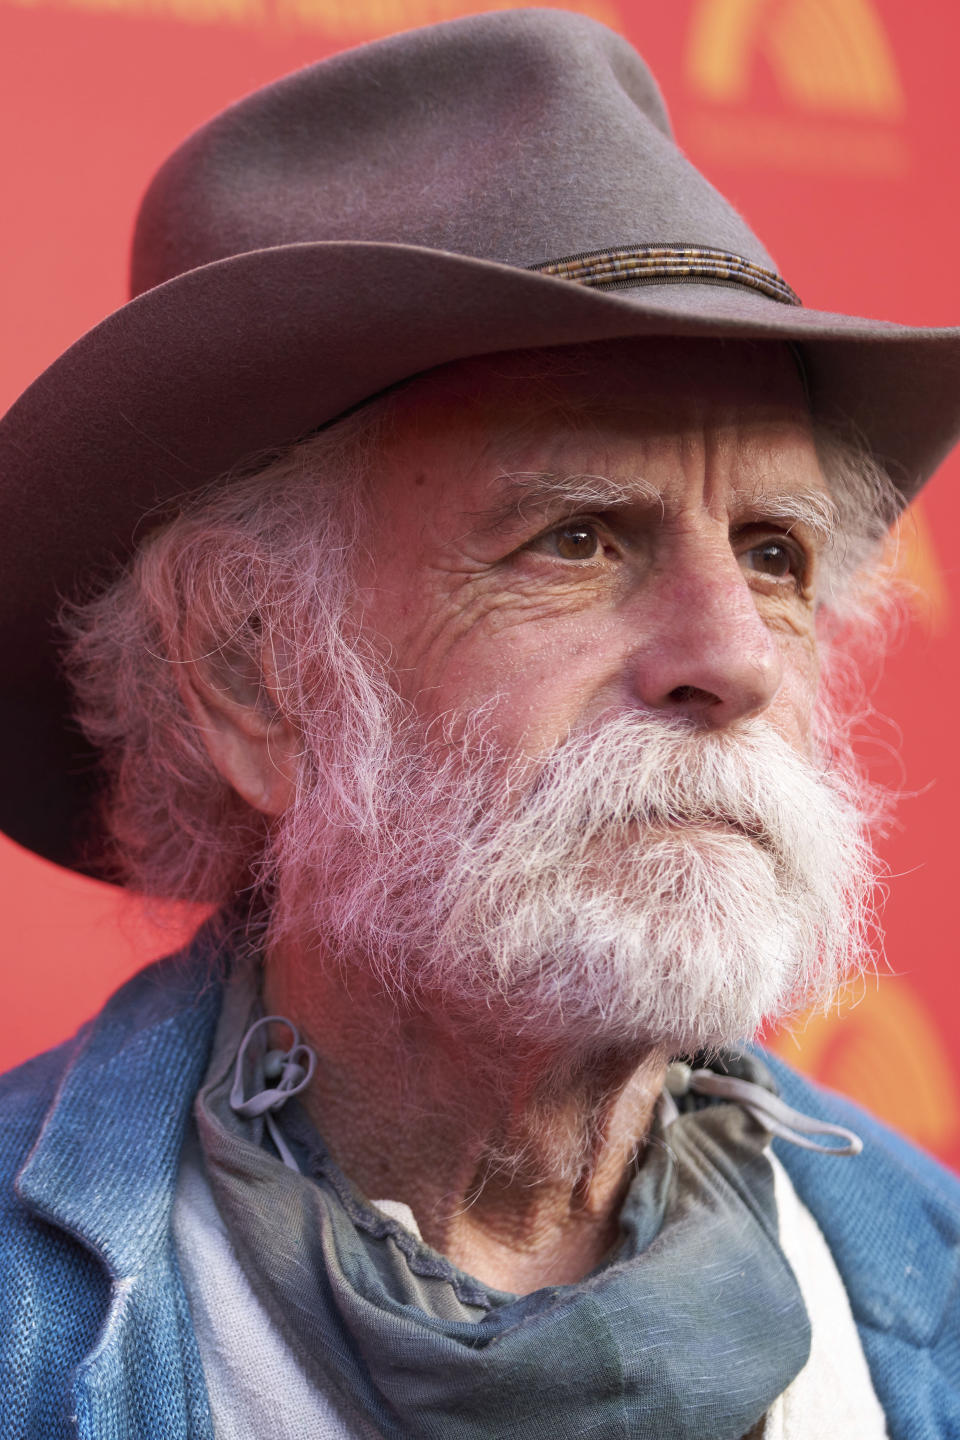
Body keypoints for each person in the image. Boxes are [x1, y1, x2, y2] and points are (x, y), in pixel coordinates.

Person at [1, 9, 959, 1438]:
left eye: (775, 552)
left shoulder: (923, 1270)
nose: (734, 657)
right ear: (252, 674)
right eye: (575, 538)